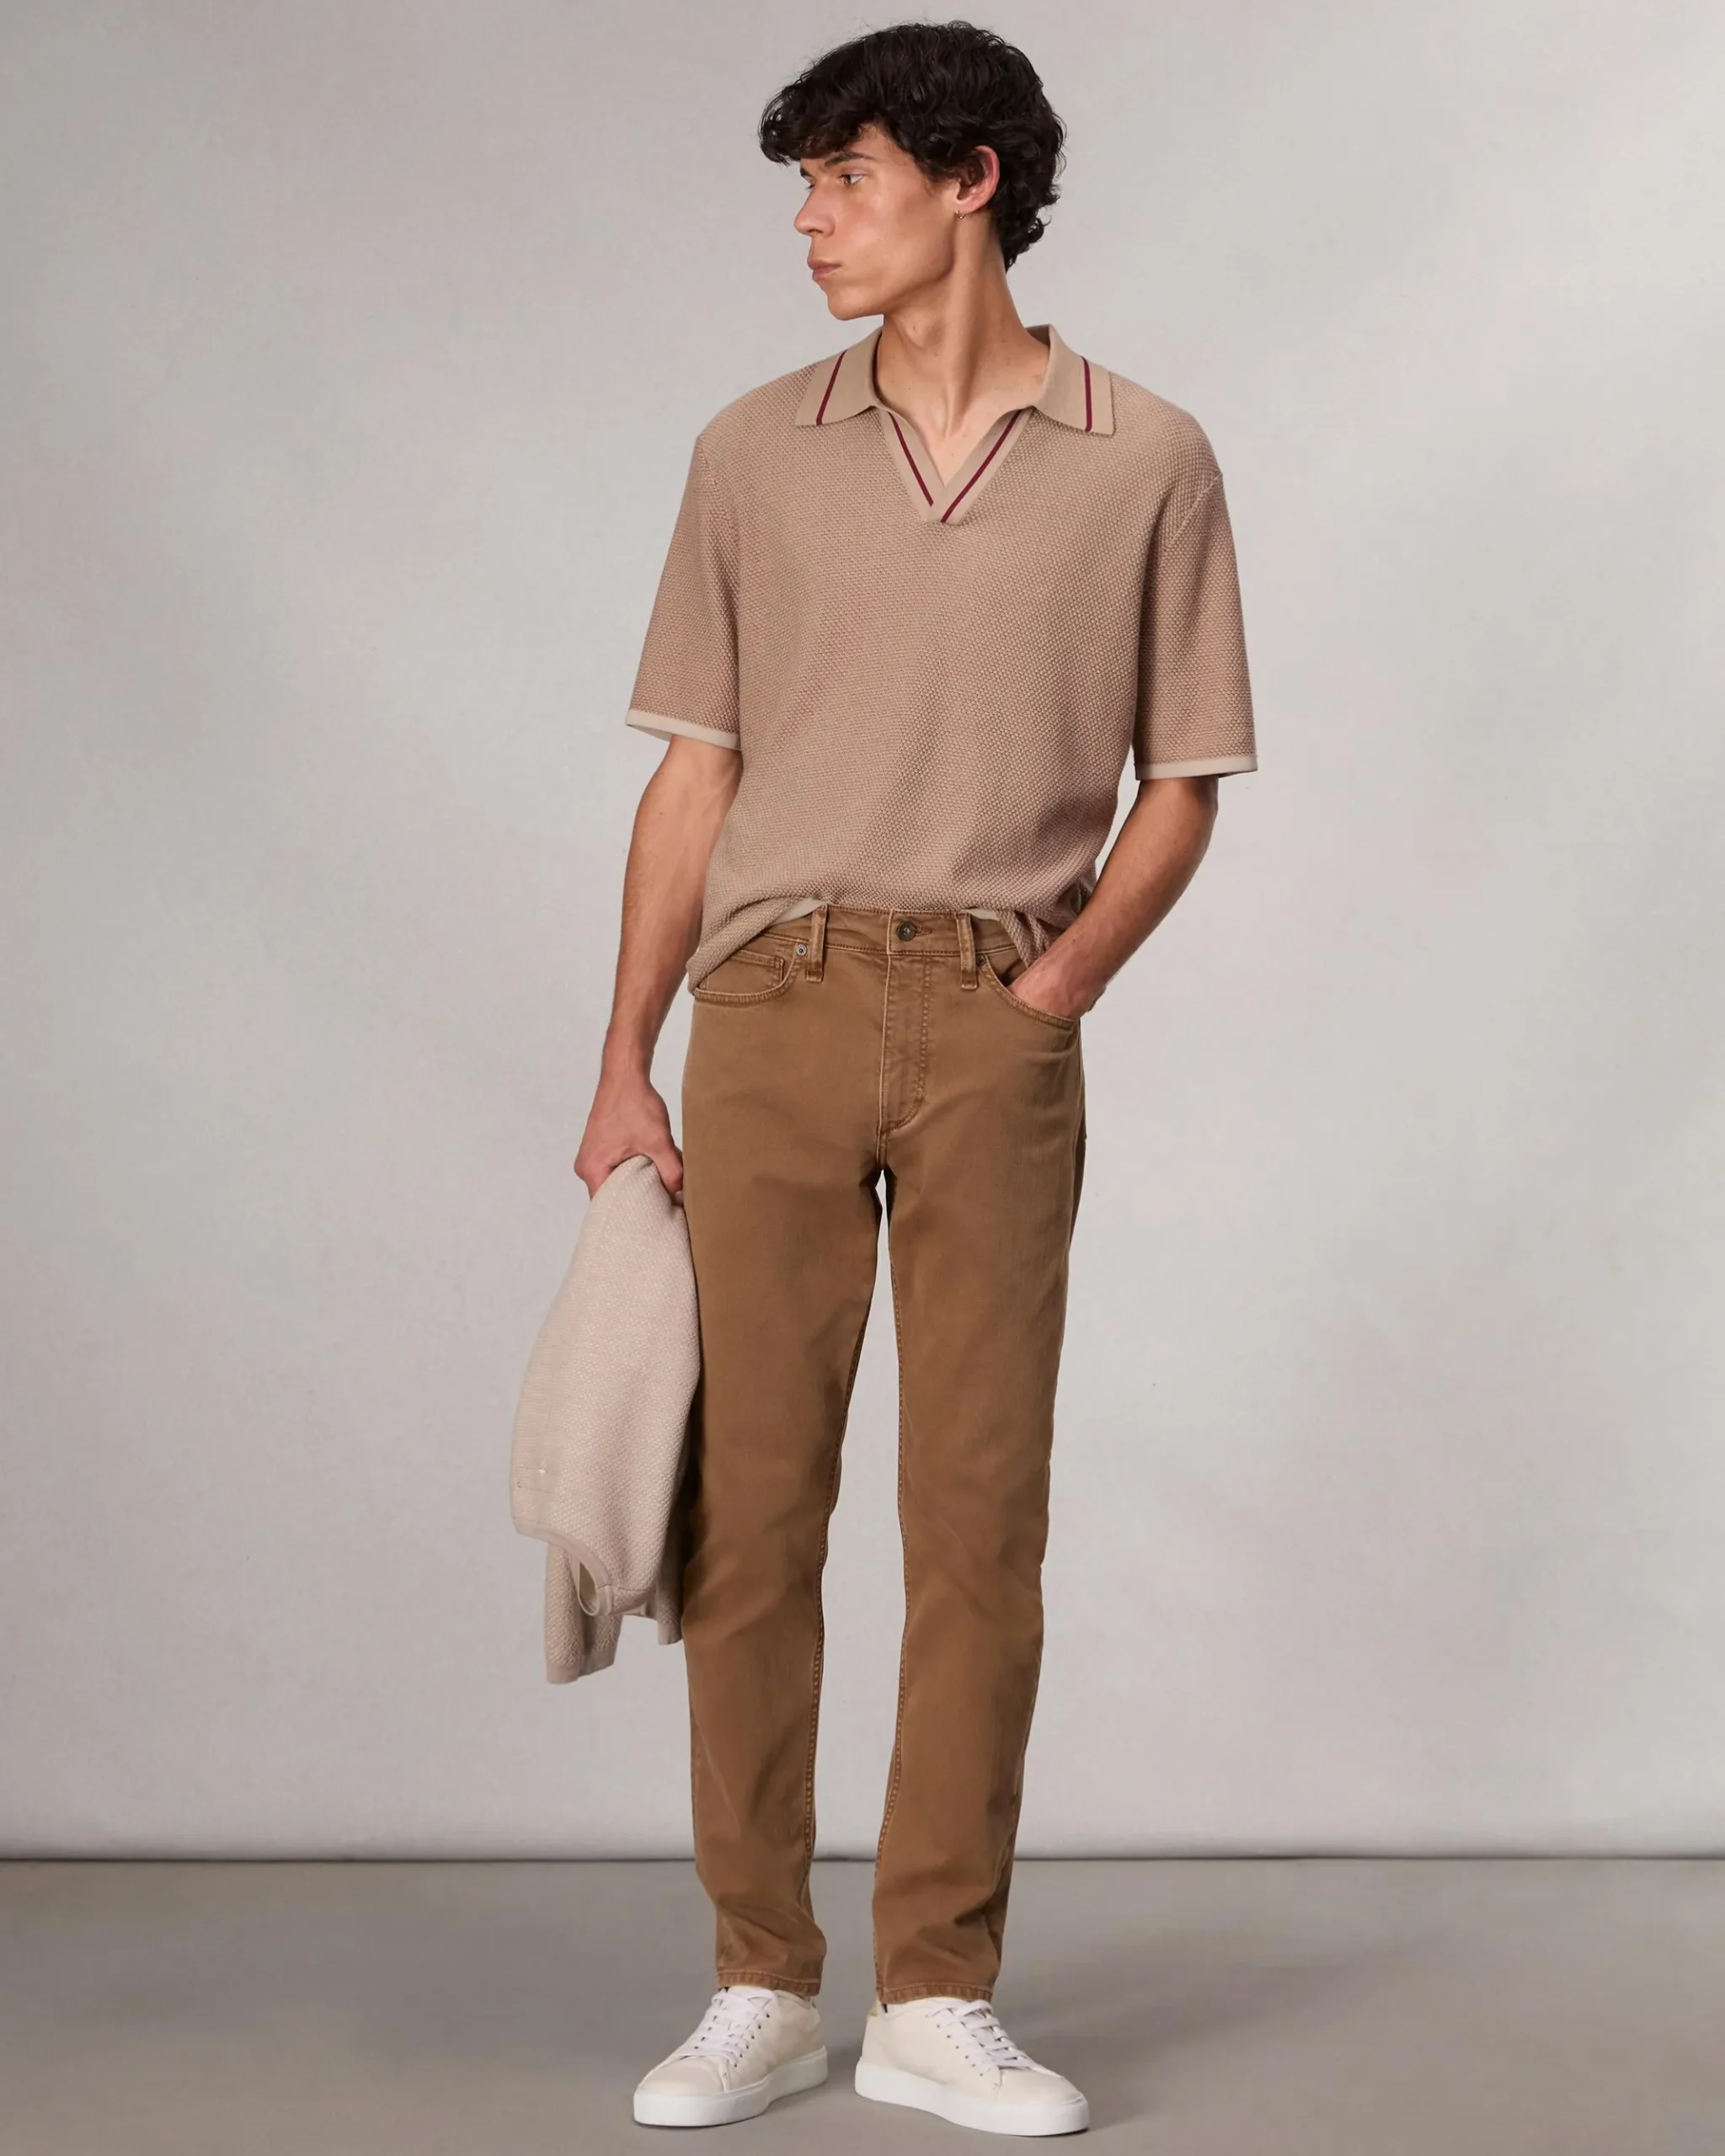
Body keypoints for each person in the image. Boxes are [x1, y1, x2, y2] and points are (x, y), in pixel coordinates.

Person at [574, 19, 1258, 2136]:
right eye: (804, 186)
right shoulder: (747, 449)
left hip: (993, 1022)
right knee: (749, 1513)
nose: (808, 223)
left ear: (970, 184)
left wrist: (1053, 987)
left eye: (843, 178)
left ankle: (936, 1993)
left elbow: (1183, 780)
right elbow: (695, 777)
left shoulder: (1146, 456)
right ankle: (760, 1979)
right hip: (768, 1011)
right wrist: (620, 1057)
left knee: (978, 1520)